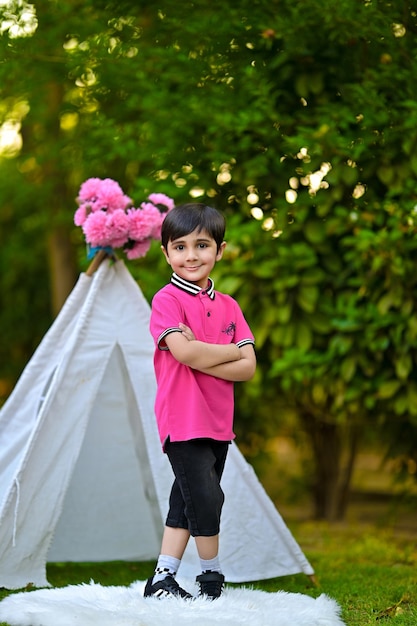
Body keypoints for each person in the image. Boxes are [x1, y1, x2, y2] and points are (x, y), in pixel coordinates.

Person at [145, 202, 256, 601]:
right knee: (207, 498)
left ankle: (162, 577)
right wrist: (227, 351)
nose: (191, 255)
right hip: (182, 417)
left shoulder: (229, 306)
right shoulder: (166, 301)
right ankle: (211, 576)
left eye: (202, 245)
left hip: (218, 420)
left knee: (186, 498)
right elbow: (185, 355)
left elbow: (248, 368)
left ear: (220, 250)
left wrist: (205, 349)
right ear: (166, 252)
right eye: (180, 246)